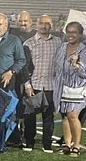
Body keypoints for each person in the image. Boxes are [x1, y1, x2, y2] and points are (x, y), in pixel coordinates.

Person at [0, 13, 26, 153]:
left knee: (7, 111)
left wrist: (11, 71)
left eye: (0, 24)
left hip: (7, 80)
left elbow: (21, 60)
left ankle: (10, 137)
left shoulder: (14, 40)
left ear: (6, 26)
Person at [54, 21, 86, 157]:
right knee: (65, 115)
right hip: (63, 85)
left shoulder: (85, 51)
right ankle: (67, 143)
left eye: (74, 32)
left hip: (79, 86)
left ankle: (76, 146)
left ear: (80, 34)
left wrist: (77, 65)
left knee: (72, 115)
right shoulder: (62, 47)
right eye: (69, 32)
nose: (71, 35)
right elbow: (58, 65)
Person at [22, 14, 59, 152]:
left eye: (47, 23)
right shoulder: (28, 43)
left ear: (52, 25)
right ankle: (29, 142)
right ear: (37, 25)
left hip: (51, 85)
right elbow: (24, 66)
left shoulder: (58, 42)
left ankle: (47, 143)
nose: (44, 26)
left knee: (48, 117)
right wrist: (27, 84)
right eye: (42, 23)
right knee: (30, 116)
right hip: (34, 84)